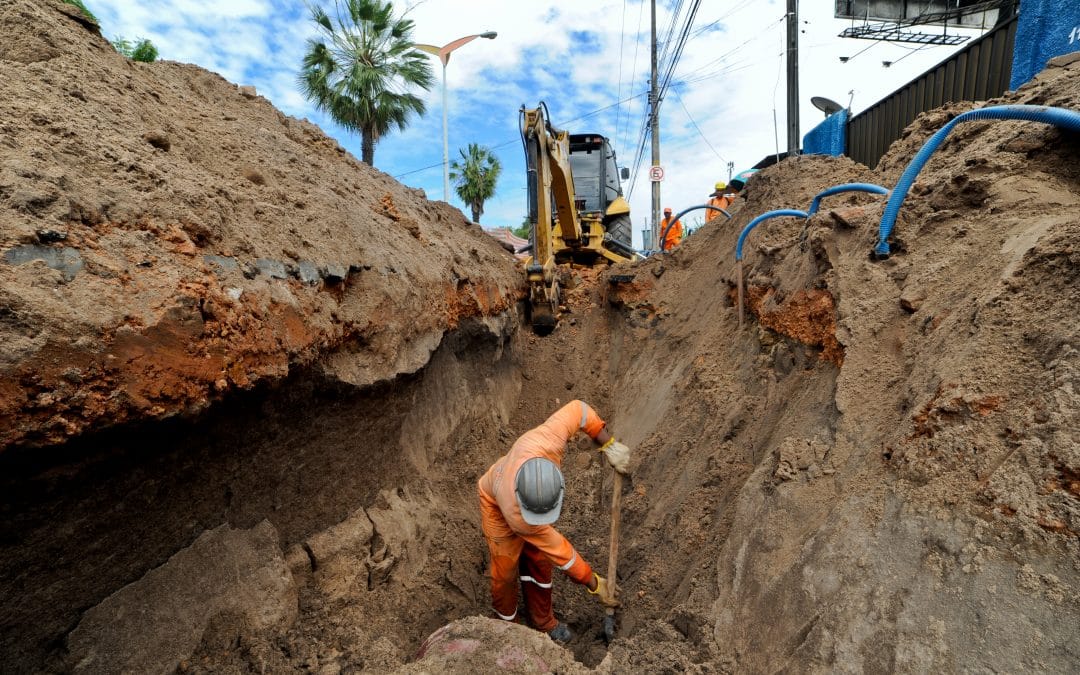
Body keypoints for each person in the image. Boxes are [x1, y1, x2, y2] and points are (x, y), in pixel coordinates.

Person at [477, 400, 630, 643]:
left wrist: (608, 445)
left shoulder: (550, 440)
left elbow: (580, 411)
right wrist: (594, 582)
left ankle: (543, 622)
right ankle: (509, 629)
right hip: (495, 503)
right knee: (505, 574)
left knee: (539, 559)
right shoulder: (517, 516)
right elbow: (562, 553)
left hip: (516, 491)